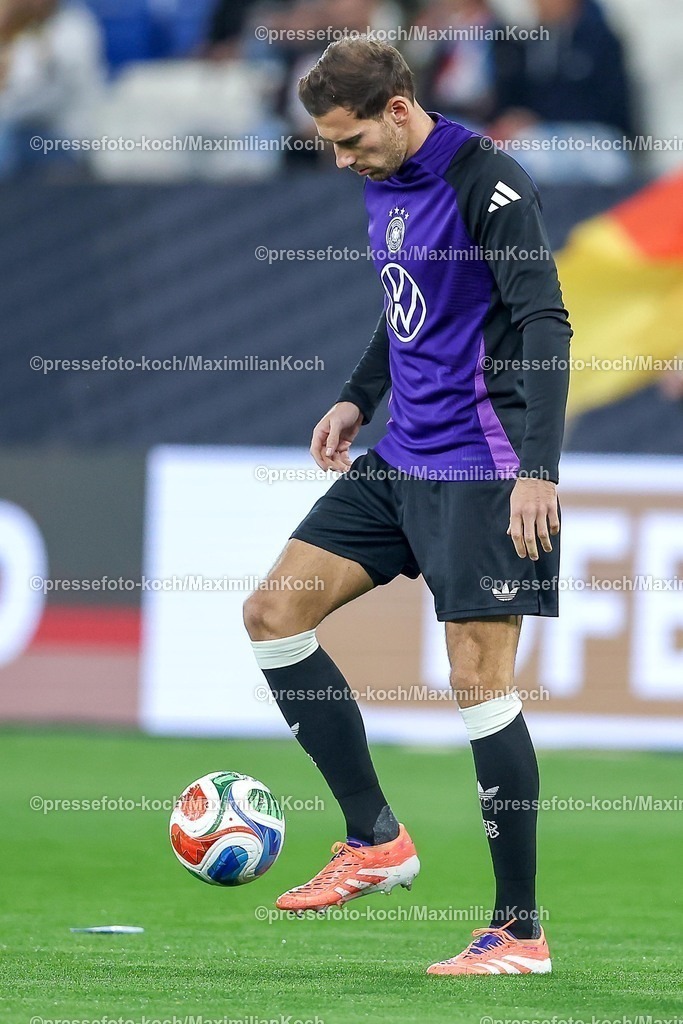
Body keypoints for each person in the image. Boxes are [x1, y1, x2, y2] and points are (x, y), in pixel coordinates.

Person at [243, 38, 571, 976]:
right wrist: (356, 392)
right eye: (330, 146)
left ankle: (517, 932)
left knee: (478, 682)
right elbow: (409, 307)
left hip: (485, 463)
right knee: (273, 613)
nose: (343, 160)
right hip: (402, 458)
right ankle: (373, 838)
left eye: (351, 140)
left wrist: (537, 470)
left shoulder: (488, 181)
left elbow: (543, 321)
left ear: (396, 107)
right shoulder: (381, 179)